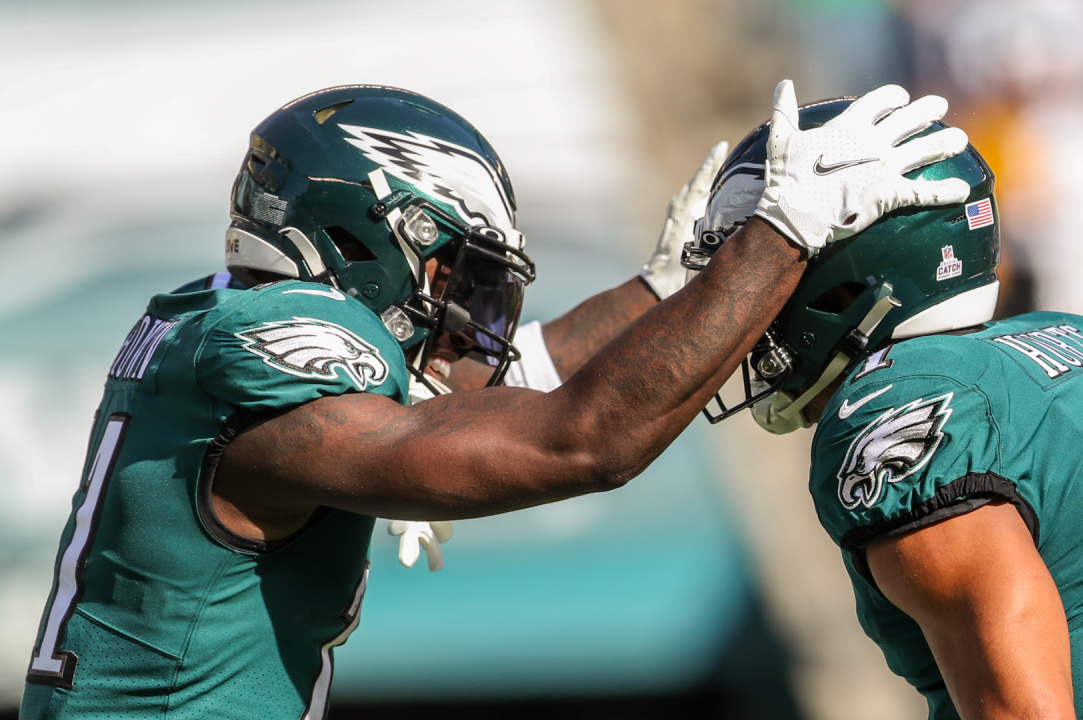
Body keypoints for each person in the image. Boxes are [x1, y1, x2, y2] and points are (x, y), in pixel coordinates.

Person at [20, 82, 972, 719]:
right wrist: (781, 236)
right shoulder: (281, 353)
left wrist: (664, 290)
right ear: (381, 236)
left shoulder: (216, 320)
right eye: (461, 277)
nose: (468, 318)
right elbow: (581, 442)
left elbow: (516, 374)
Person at [686, 98, 1083, 718]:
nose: (741, 303)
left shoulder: (903, 403)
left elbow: (1020, 711)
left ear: (843, 279)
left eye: (760, 265)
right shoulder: (1081, 343)